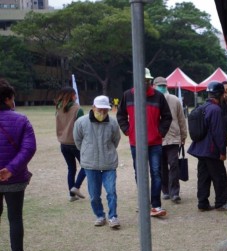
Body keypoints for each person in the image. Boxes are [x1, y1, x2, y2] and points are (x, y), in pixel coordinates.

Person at [117, 67, 172, 217]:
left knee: (156, 173)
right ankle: (143, 202)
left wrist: (160, 132)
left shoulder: (158, 96)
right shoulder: (128, 95)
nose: (145, 83)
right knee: (140, 174)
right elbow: (120, 115)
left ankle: (156, 205)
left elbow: (167, 117)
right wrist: (128, 130)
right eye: (142, 80)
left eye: (147, 80)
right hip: (136, 143)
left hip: (155, 143)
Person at [0, 79, 36, 251]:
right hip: (13, 178)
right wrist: (11, 169)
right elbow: (28, 148)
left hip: (11, 175)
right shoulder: (21, 120)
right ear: (7, 99)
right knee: (15, 217)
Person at [74, 96, 121, 229]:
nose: (102, 113)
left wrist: (108, 151)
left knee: (111, 191)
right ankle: (100, 215)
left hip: (109, 163)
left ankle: (113, 217)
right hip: (90, 164)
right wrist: (86, 151)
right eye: (99, 109)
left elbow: (116, 140)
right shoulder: (81, 122)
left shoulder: (112, 123)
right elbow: (78, 140)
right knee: (94, 195)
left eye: (105, 110)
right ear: (93, 107)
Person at [187, 82, 227, 212]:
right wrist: (222, 152)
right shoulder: (216, 110)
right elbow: (218, 132)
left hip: (200, 149)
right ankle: (221, 203)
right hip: (212, 150)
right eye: (224, 93)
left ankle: (202, 203)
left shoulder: (203, 107)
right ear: (219, 94)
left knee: (203, 177)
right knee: (220, 177)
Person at [153, 76, 188, 203]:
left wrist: (183, 135)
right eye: (159, 85)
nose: (162, 87)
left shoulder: (174, 100)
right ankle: (165, 190)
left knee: (174, 165)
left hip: (173, 137)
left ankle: (175, 192)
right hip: (157, 138)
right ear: (154, 86)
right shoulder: (151, 100)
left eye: (164, 85)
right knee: (161, 166)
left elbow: (181, 119)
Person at [55, 87, 86, 202]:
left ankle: (71, 194)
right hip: (75, 143)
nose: (77, 96)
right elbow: (82, 127)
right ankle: (76, 187)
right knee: (86, 166)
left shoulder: (59, 108)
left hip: (63, 143)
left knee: (71, 168)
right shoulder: (78, 109)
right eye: (75, 95)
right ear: (72, 96)